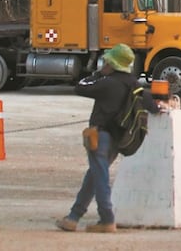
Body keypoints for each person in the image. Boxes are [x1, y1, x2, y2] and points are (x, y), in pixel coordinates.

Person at [56, 43, 162, 233]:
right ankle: (73, 217)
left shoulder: (107, 82)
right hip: (118, 138)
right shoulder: (134, 84)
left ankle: (107, 219)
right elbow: (152, 106)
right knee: (94, 176)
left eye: (107, 62)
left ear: (112, 63)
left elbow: (80, 87)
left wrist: (98, 74)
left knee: (100, 179)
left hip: (100, 136)